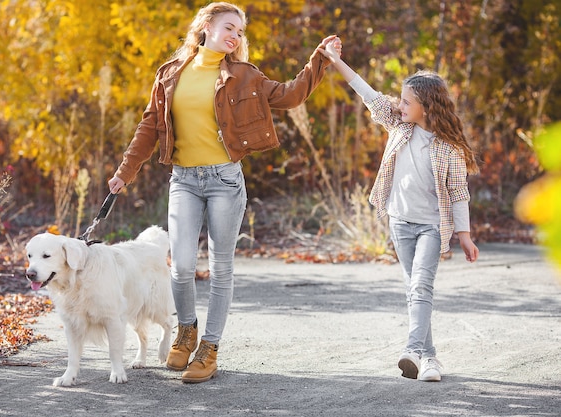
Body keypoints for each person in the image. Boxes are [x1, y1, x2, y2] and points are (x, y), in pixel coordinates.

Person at [108, 2, 337, 383]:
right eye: (229, 27)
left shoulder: (244, 76)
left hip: (225, 182)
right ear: (206, 26)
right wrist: (124, 173)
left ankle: (209, 347)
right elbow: (150, 126)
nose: (235, 36)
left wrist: (319, 59)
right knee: (180, 267)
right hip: (183, 180)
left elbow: (292, 95)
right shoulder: (170, 74)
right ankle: (186, 330)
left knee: (220, 268)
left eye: (240, 32)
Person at [320, 38, 479, 382]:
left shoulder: (448, 147)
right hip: (400, 223)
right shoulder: (399, 126)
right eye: (401, 100)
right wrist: (335, 61)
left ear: (426, 105)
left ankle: (411, 349)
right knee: (415, 289)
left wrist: (464, 235)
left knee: (420, 286)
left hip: (433, 227)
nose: (400, 104)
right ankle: (430, 359)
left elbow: (458, 191)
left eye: (407, 101)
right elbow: (368, 93)